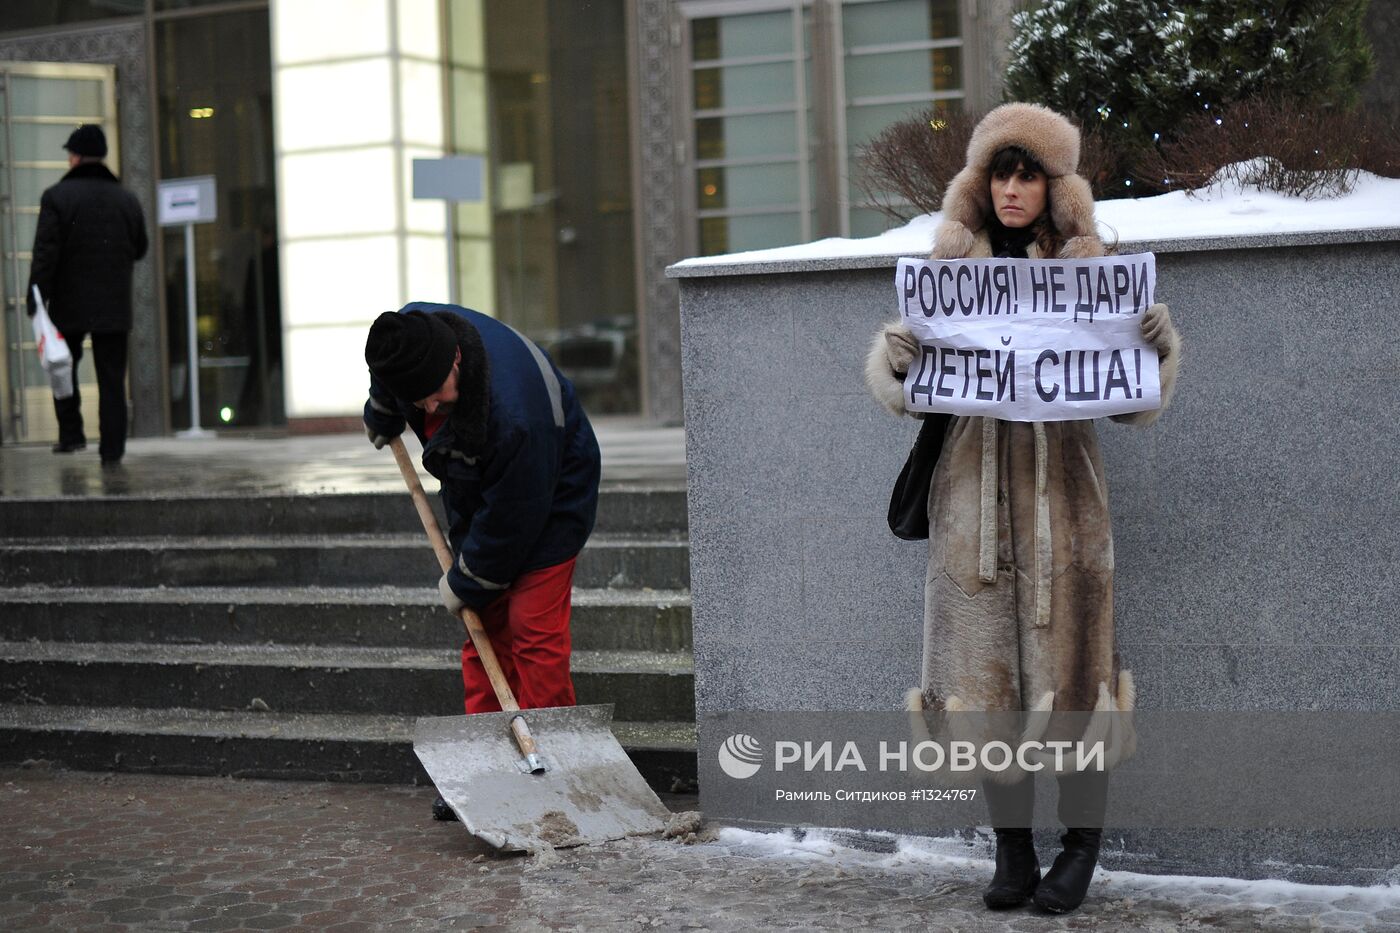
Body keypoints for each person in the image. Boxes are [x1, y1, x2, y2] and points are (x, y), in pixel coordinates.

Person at [864, 103, 1182, 915]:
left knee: (1074, 688)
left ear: (1053, 186)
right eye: (1000, 173)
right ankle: (1011, 852)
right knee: (987, 689)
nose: (1012, 189)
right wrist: (895, 359)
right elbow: (902, 388)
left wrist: (1155, 349)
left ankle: (1079, 850)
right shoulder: (950, 271)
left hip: (1065, 514)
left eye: (1028, 174)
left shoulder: (1089, 269)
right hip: (972, 513)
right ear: (981, 184)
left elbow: (1134, 406)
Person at [362, 302, 601, 818]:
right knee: (483, 631)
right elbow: (391, 372)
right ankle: (488, 765)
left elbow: (513, 521)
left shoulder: (515, 414)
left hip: (552, 493)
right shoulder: (410, 336)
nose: (428, 408)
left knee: (532, 630)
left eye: (437, 395)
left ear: (456, 361)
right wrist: (384, 408)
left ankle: (559, 766)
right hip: (481, 490)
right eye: (416, 401)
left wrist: (468, 579)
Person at [26, 124, 149, 465]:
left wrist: (35, 297)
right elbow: (140, 248)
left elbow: (45, 253)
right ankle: (112, 449)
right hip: (114, 304)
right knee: (111, 379)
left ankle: (71, 434)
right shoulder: (127, 199)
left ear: (76, 157)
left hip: (69, 303)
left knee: (62, 367)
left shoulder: (56, 198)